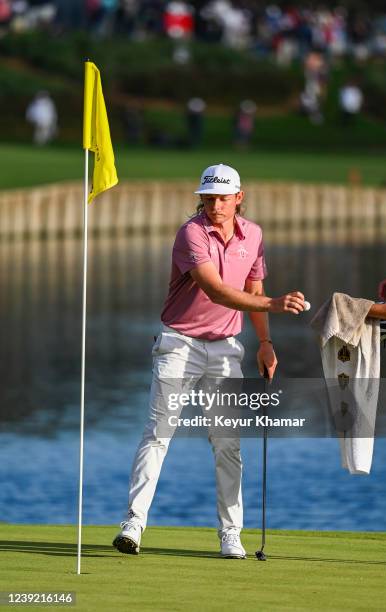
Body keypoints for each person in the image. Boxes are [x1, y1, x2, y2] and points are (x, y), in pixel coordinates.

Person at [113, 163, 305, 559]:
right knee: (159, 432)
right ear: (200, 198)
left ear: (239, 197)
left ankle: (230, 534)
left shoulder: (253, 235)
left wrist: (265, 341)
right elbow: (217, 291)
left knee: (227, 443)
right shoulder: (191, 234)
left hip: (225, 347)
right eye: (209, 197)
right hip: (178, 344)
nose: (216, 204)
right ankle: (134, 523)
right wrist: (274, 304)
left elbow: (253, 287)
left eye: (223, 197)